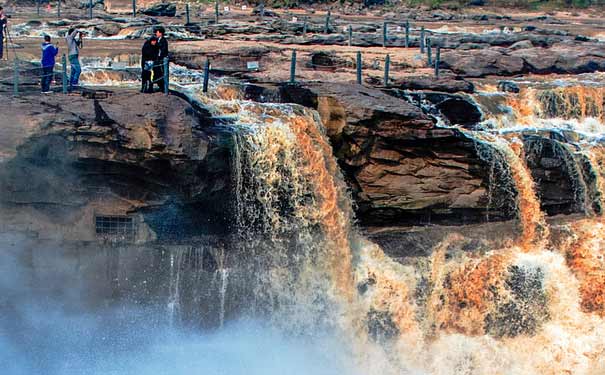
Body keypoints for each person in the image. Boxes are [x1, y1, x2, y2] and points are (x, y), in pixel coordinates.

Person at [152, 26, 169, 93]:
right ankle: (160, 87)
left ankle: (163, 88)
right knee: (156, 73)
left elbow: (163, 50)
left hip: (161, 60)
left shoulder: (163, 41)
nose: (156, 33)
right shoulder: (157, 40)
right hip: (157, 59)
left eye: (157, 32)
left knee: (161, 73)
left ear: (160, 33)